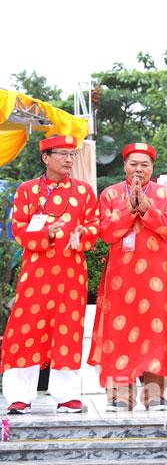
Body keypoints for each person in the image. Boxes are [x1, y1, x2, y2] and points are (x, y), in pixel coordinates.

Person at [2, 135, 99, 414]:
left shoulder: (83, 192)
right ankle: (20, 396)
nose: (69, 159)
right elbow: (18, 228)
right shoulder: (27, 191)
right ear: (46, 158)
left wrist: (83, 233)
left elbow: (95, 224)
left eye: (72, 154)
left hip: (71, 274)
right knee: (26, 329)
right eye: (63, 154)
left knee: (68, 331)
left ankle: (66, 395)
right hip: (35, 276)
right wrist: (47, 233)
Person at [89, 143, 167, 412]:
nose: (139, 169)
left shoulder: (165, 194)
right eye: (133, 164)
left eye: (144, 164)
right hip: (121, 276)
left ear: (152, 167)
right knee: (118, 332)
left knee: (156, 332)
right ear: (124, 166)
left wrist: (148, 210)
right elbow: (105, 233)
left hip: (157, 275)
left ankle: (154, 396)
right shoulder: (110, 194)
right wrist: (129, 209)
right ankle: (120, 395)